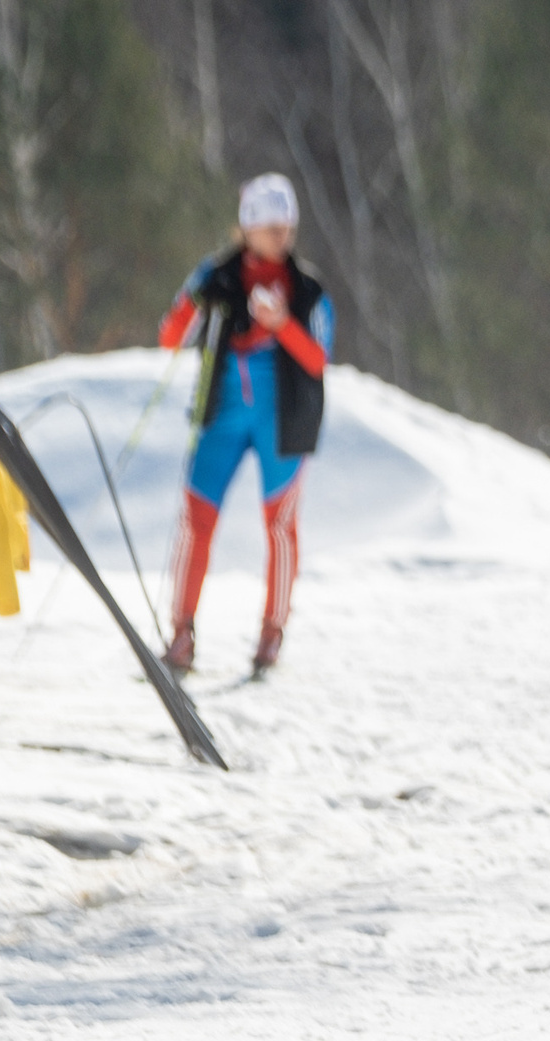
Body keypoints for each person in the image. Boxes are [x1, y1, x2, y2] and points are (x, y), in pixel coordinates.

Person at [155, 173, 334, 675]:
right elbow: (171, 337)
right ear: (249, 228)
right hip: (222, 420)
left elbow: (318, 359)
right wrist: (196, 296)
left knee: (279, 527)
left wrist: (282, 325)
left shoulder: (308, 289)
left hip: (282, 424)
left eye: (288, 228)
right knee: (196, 522)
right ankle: (182, 632)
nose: (284, 237)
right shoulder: (218, 276)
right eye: (274, 227)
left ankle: (272, 633)